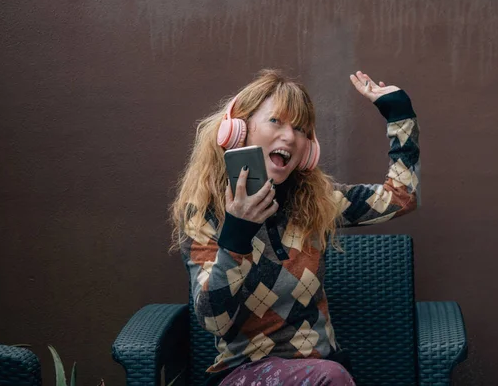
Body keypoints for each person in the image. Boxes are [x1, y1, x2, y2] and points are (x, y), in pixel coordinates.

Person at [170, 69, 420, 386]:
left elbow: (401, 198)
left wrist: (400, 115)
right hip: (243, 375)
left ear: (307, 149)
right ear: (237, 130)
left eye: (301, 129)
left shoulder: (317, 202)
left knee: (329, 375)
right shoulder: (204, 212)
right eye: (276, 121)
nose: (290, 137)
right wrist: (237, 234)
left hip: (325, 374)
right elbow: (213, 320)